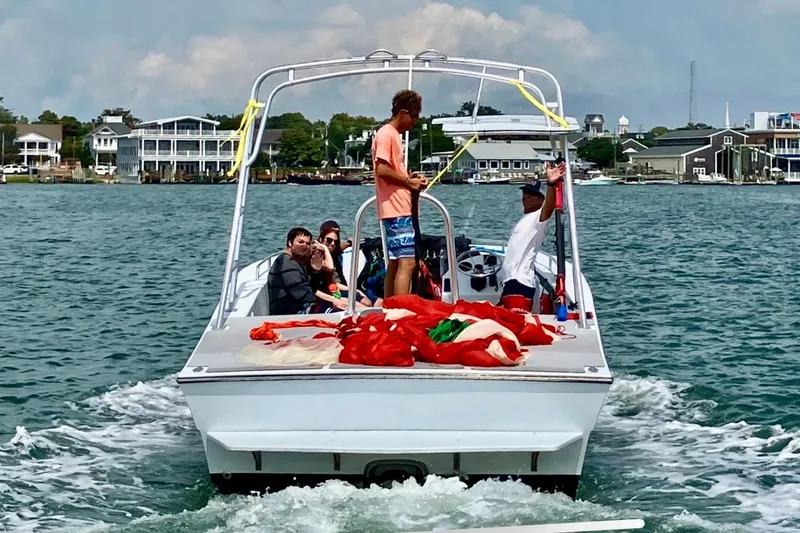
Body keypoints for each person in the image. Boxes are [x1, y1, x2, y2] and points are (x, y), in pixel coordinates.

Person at [372, 89, 428, 299]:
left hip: (395, 207)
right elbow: (381, 169)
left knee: (396, 262)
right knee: (408, 262)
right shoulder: (387, 134)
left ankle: (390, 307)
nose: (415, 121)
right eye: (414, 116)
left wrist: (411, 177)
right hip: (396, 209)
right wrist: (407, 182)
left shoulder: (391, 135)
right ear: (403, 112)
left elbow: (391, 169)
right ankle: (400, 310)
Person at [498, 161, 566, 311]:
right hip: (510, 283)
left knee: (516, 325)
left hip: (520, 283)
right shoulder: (526, 218)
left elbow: (549, 206)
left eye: (532, 195)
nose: (526, 197)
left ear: (540, 199)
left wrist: (551, 184)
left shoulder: (538, 217)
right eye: (525, 194)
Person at [267, 227, 318, 315]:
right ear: (290, 243)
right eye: (300, 242)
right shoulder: (286, 263)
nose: (305, 245)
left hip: (300, 307)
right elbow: (301, 293)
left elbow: (309, 288)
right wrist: (330, 303)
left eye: (307, 243)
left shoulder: (296, 262)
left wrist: (316, 270)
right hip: (290, 313)